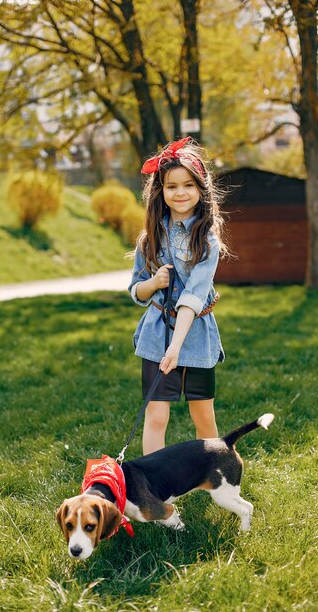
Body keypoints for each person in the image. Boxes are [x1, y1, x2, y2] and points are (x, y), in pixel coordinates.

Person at [128, 137, 229, 455]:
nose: (180, 192)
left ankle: (214, 473)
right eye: (172, 186)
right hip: (157, 335)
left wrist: (176, 347)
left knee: (203, 415)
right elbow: (136, 290)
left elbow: (193, 298)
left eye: (188, 185)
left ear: (201, 190)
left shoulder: (207, 241)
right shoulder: (149, 239)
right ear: (161, 191)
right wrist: (154, 283)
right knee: (156, 415)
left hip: (196, 334)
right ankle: (152, 487)